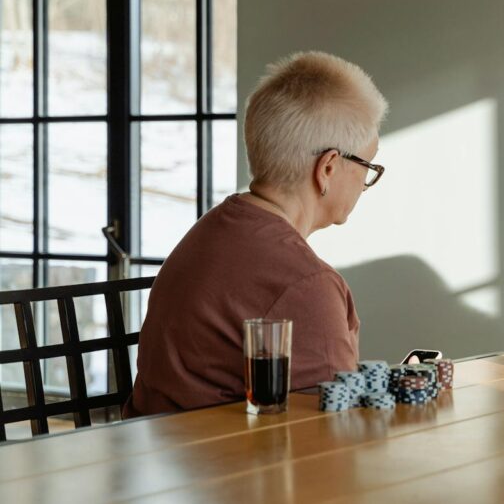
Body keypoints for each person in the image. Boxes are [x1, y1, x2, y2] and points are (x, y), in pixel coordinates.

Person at [124, 51, 388, 417]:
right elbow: (331, 437)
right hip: (230, 469)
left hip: (154, 458)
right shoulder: (306, 284)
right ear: (327, 167)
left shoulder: (210, 230)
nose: (365, 183)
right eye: (367, 166)